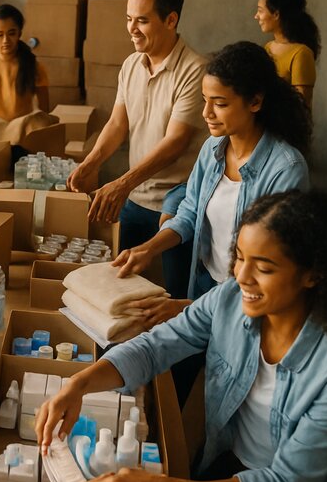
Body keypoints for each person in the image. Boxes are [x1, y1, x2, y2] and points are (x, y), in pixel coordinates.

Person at [37, 189, 327, 482]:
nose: (242, 277)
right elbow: (155, 346)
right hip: (228, 458)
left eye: (264, 268)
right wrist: (78, 384)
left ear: (313, 274)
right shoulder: (229, 299)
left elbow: (287, 481)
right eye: (240, 258)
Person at [113, 41, 310, 327]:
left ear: (255, 102)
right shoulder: (213, 148)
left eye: (220, 103)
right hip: (204, 279)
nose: (207, 113)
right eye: (205, 100)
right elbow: (190, 212)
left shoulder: (286, 169)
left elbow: (268, 264)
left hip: (248, 298)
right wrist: (150, 248)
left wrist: (191, 308)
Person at [67, 0, 206, 300]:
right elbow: (118, 122)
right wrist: (92, 162)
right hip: (136, 198)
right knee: (123, 286)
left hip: (177, 204)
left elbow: (176, 142)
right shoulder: (131, 64)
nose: (131, 28)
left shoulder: (195, 70)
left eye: (142, 20)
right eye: (129, 19)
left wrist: (122, 183)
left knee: (176, 297)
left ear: (171, 20)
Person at [255, 0, 321, 106]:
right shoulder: (268, 47)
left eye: (260, 11)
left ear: (276, 14)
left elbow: (302, 105)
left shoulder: (301, 53)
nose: (256, 16)